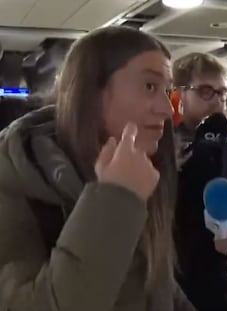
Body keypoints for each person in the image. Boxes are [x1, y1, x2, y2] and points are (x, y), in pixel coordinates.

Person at [0, 26, 195, 311]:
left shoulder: (140, 171)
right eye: (150, 87)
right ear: (90, 92)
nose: (168, 109)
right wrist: (114, 200)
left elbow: (155, 286)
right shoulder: (12, 180)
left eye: (167, 91)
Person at [173, 52, 227, 311]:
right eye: (206, 91)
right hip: (156, 289)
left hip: (213, 290)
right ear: (177, 93)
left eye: (222, 93)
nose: (218, 101)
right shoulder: (150, 148)